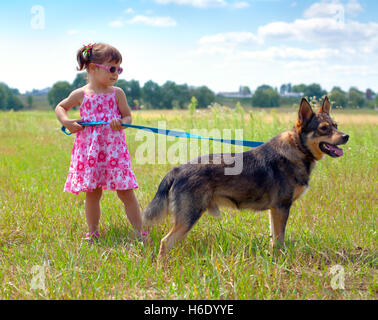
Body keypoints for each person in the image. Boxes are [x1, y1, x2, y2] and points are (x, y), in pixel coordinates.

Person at [55, 43, 146, 243]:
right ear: (93, 68)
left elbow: (128, 116)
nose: (116, 74)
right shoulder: (81, 94)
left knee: (126, 192)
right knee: (93, 193)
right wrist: (67, 122)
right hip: (91, 153)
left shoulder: (117, 93)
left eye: (119, 69)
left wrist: (121, 123)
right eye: (112, 68)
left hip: (114, 152)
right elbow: (61, 107)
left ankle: (140, 231)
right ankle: (93, 232)